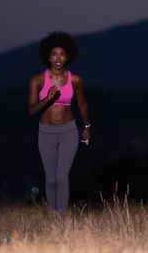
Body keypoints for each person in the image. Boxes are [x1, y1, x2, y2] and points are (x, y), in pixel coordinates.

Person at [28, 31, 91, 211]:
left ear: (67, 57)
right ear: (48, 57)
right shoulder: (37, 80)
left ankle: (61, 219)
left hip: (68, 131)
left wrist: (86, 126)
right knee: (51, 179)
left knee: (62, 177)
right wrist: (48, 99)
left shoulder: (76, 80)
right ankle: (52, 217)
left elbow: (82, 104)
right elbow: (31, 110)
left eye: (62, 54)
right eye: (54, 54)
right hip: (46, 132)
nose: (58, 58)